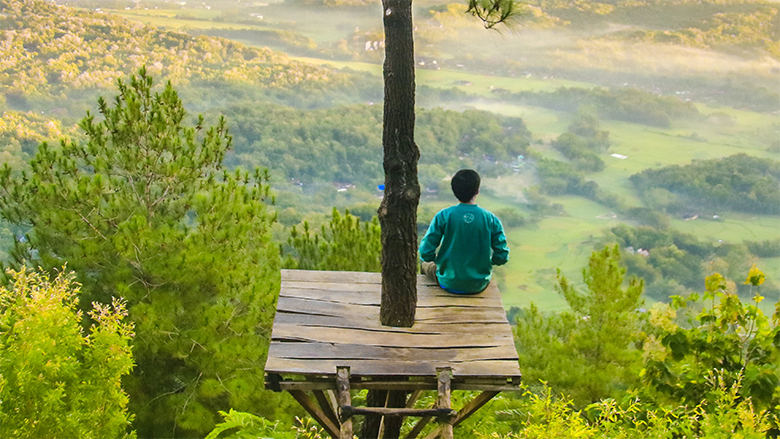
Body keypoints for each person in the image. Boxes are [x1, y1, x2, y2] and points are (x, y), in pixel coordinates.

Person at [419, 169, 509, 294]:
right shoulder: (491, 219)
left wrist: (437, 261)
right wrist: (488, 261)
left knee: (425, 265)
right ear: (477, 191)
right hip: (479, 284)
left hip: (448, 282)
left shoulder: (443, 216)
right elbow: (502, 256)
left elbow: (425, 251)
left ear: (454, 191)